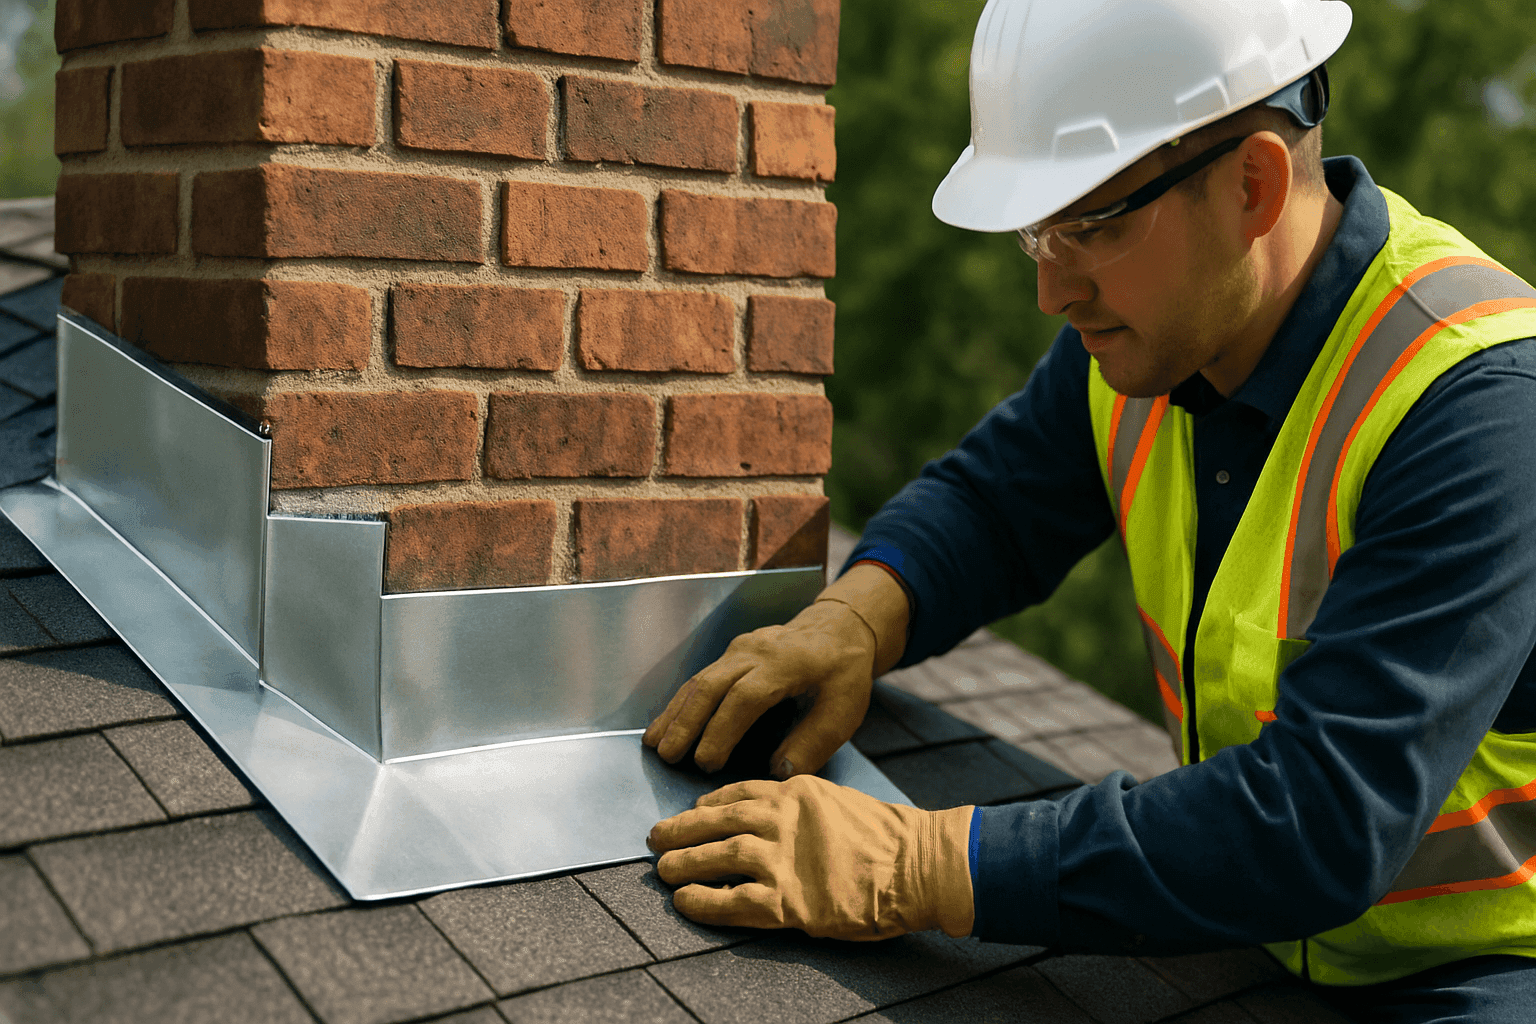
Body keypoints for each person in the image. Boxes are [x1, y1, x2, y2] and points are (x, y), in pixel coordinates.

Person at [645, 0, 1536, 1019]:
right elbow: (995, 504)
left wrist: (921, 860)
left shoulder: (1475, 404)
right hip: (1254, 936)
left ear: (1252, 185)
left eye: (1089, 224)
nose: (1051, 289)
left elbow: (1318, 820)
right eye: (1038, 231)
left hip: (1485, 973)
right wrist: (852, 621)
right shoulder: (1151, 337)